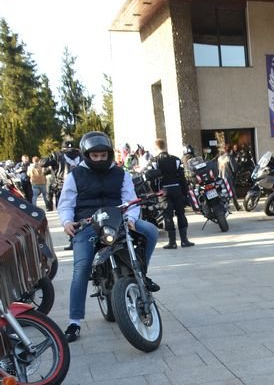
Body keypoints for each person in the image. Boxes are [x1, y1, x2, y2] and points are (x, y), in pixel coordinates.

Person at [58, 131, 160, 342]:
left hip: (118, 219)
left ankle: (141, 273)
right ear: (87, 155)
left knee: (150, 231)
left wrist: (131, 218)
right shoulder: (74, 176)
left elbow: (130, 199)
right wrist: (67, 222)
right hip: (88, 224)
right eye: (94, 155)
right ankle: (74, 321)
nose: (99, 159)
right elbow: (66, 204)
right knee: (81, 268)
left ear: (109, 154)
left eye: (103, 155)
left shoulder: (122, 174)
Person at [152, 138, 194, 249]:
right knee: (181, 214)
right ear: (165, 146)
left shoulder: (155, 161)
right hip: (177, 189)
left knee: (168, 215)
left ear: (156, 147)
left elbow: (152, 179)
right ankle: (184, 240)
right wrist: (185, 192)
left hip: (164, 191)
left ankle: (172, 242)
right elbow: (182, 177)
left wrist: (156, 191)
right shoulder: (176, 160)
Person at [217, 145, 240, 210]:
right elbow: (234, 168)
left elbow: (218, 168)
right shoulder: (230, 157)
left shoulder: (219, 158)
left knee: (223, 192)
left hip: (221, 177)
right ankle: (236, 206)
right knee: (232, 192)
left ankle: (224, 206)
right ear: (231, 150)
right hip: (228, 177)